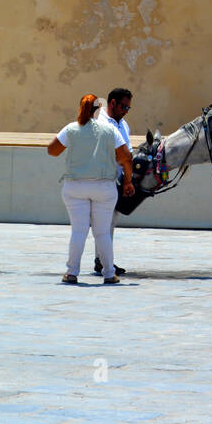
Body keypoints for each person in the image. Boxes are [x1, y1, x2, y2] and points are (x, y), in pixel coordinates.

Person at [47, 94, 134, 283]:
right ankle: (109, 274)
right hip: (104, 187)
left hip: (75, 186)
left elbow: (52, 150)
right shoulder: (110, 130)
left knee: (78, 231)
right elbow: (126, 157)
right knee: (102, 232)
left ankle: (71, 273)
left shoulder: (71, 129)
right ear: (99, 109)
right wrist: (128, 181)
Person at [92, 88, 133, 276]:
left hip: (117, 179)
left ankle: (101, 260)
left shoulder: (124, 125)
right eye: (123, 106)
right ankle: (102, 262)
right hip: (101, 179)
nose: (125, 111)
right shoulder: (99, 122)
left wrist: (128, 179)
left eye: (128, 108)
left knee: (110, 223)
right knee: (99, 224)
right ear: (113, 103)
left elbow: (127, 153)